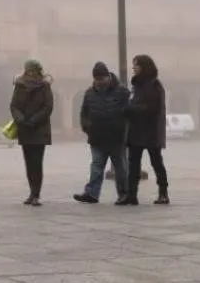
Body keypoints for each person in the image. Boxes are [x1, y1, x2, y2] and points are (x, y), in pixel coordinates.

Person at [73, 62, 132, 205]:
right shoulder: (89, 93)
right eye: (96, 79)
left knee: (121, 167)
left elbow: (129, 113)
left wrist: (122, 128)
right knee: (96, 166)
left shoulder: (122, 92)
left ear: (108, 77)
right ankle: (91, 194)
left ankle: (124, 194)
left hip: (116, 138)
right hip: (97, 137)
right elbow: (84, 113)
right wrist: (87, 127)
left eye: (102, 79)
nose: (99, 82)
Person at [126, 54, 170, 205]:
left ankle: (163, 193)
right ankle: (132, 195)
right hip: (136, 130)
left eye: (136, 65)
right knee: (133, 164)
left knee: (156, 162)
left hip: (151, 130)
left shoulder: (154, 85)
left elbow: (153, 108)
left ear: (144, 66)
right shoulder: (136, 85)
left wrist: (131, 108)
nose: (134, 68)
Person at [10, 58, 54, 206]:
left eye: (33, 71)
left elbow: (48, 107)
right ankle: (31, 192)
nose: (30, 74)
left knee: (37, 162)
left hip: (39, 130)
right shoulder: (19, 86)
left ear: (38, 72)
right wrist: (21, 119)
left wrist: (33, 120)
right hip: (25, 129)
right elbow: (14, 106)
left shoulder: (44, 86)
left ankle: (36, 194)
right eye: (28, 71)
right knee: (29, 163)